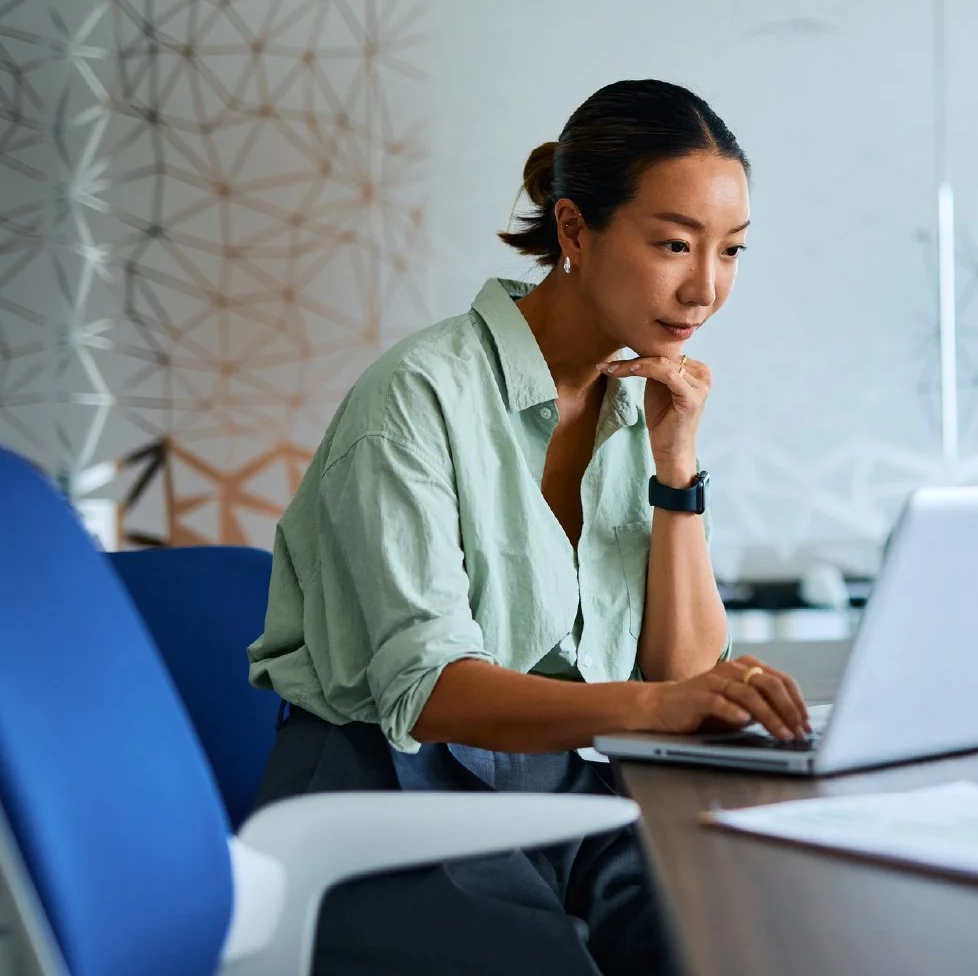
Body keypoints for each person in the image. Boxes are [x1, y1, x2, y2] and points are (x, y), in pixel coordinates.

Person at [247, 79, 809, 976]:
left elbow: (685, 675)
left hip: (564, 781)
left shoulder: (646, 398)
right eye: (673, 245)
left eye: (732, 251)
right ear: (576, 231)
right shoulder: (415, 399)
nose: (705, 288)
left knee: (741, 930)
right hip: (387, 790)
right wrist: (657, 707)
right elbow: (426, 695)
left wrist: (676, 472)